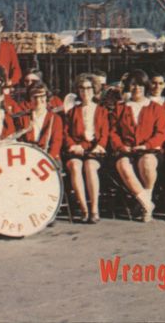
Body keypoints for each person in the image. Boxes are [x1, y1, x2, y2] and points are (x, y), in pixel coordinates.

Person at [110, 69, 165, 222]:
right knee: (122, 164)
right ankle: (147, 204)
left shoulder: (156, 108)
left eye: (141, 85)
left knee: (147, 162)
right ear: (129, 87)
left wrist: (147, 145)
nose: (137, 88)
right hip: (127, 150)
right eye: (134, 85)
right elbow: (113, 132)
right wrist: (121, 146)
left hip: (149, 150)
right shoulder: (120, 107)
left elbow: (161, 133)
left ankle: (144, 204)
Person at [64, 74, 109, 223]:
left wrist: (100, 146)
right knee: (75, 166)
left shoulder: (102, 110)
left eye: (89, 88)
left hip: (94, 150)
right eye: (82, 88)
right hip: (77, 149)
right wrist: (73, 146)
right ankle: (84, 209)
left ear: (94, 89)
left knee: (90, 166)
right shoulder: (72, 111)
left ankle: (94, 209)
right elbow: (66, 133)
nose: (85, 91)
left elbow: (105, 133)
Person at [16, 82, 63, 160]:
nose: (38, 100)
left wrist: (46, 159)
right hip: (28, 157)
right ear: (29, 98)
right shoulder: (23, 118)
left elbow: (56, 144)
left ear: (46, 97)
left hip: (49, 157)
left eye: (42, 96)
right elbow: (20, 143)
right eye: (34, 97)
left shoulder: (55, 118)